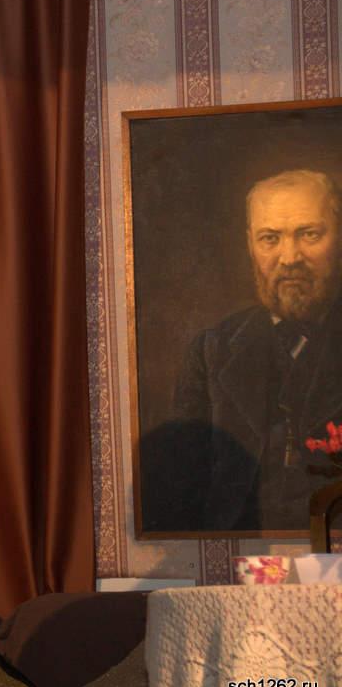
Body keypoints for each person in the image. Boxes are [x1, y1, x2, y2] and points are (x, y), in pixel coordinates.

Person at [147, 169, 342, 532]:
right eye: (270, 238)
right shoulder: (212, 350)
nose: (289, 257)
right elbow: (182, 494)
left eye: (309, 234)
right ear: (250, 244)